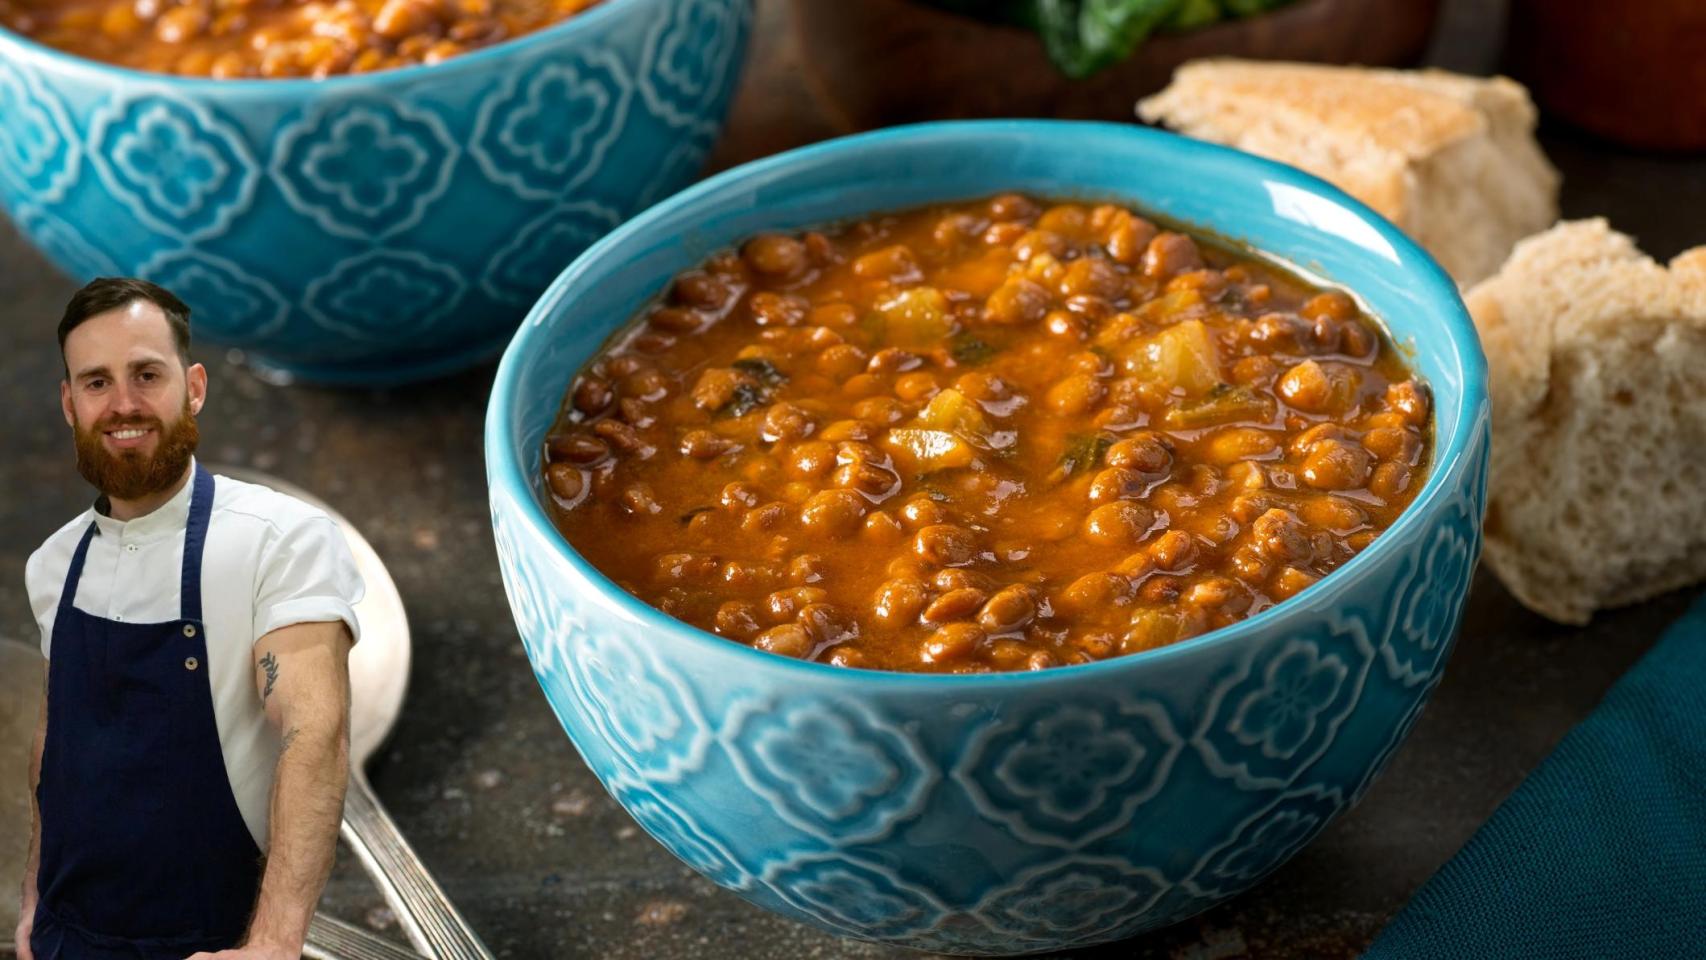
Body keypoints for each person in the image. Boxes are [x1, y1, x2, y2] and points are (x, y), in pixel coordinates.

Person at [15, 278, 365, 960]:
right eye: (96, 382)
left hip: (216, 944)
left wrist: (272, 943)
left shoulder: (281, 538)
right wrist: (33, 904)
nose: (123, 404)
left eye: (147, 374)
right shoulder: (53, 565)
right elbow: (56, 748)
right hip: (65, 939)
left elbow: (314, 731)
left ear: (194, 386)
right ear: (69, 403)